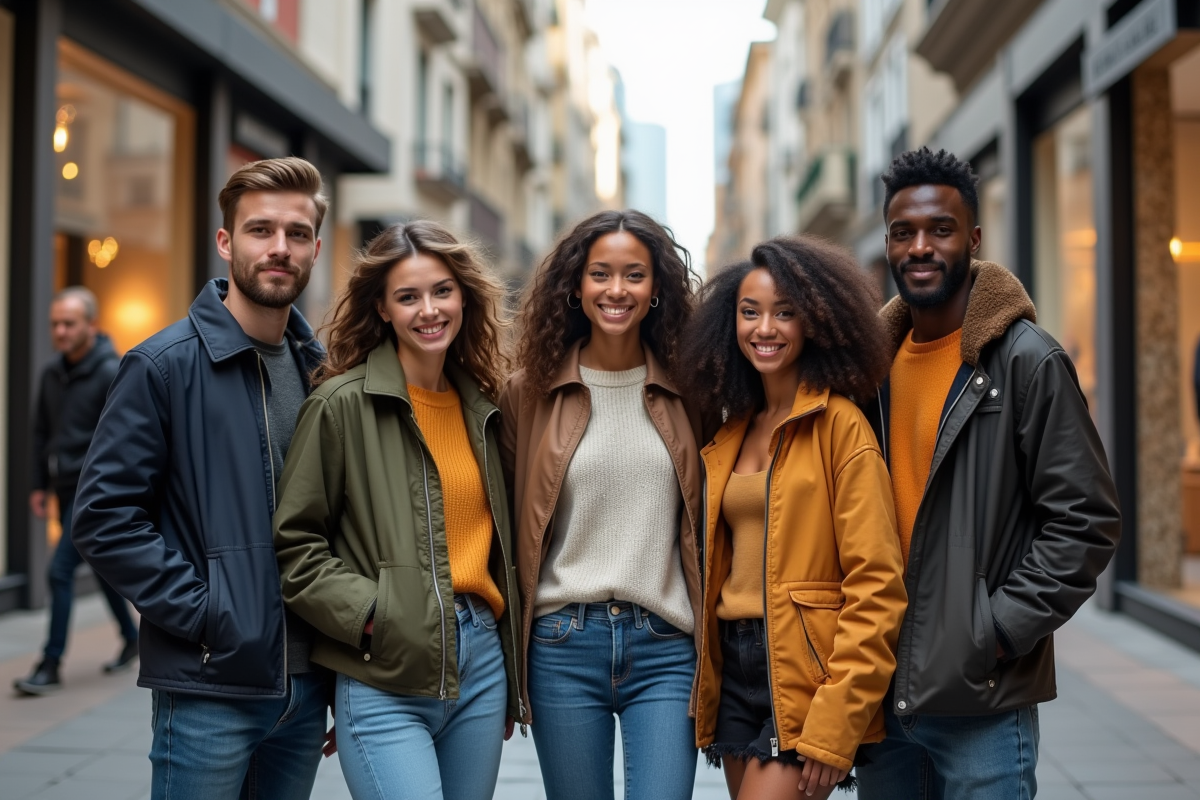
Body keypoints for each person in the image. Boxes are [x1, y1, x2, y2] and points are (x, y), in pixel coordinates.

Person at [854, 147, 1121, 799]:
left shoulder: (1027, 362)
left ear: (972, 239)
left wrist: (996, 631)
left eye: (939, 230)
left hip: (983, 701)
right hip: (880, 691)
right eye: (903, 232)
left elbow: (1086, 521)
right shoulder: (867, 375)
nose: (920, 247)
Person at [72, 157, 331, 800]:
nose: (279, 248)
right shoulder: (162, 366)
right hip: (209, 688)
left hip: (305, 694)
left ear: (315, 249)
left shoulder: (322, 374)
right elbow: (103, 517)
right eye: (260, 230)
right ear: (225, 242)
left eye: (296, 234)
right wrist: (208, 616)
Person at [272, 220, 524, 800]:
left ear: (464, 296)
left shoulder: (484, 409)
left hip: (480, 666)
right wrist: (374, 616)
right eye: (407, 297)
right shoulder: (339, 405)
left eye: (441, 291)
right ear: (382, 310)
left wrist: (504, 670)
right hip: (383, 668)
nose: (428, 310)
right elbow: (297, 545)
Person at [680, 237, 908, 800]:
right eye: (750, 312)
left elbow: (876, 585)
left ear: (816, 322)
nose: (766, 328)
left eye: (786, 312)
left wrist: (836, 724)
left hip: (805, 671)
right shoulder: (731, 431)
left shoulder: (841, 426)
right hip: (735, 668)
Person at [499, 210, 703, 800]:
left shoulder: (693, 389)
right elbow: (507, 518)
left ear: (657, 288)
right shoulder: (527, 392)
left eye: (634, 275)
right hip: (562, 644)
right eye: (601, 274)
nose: (617, 290)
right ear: (576, 286)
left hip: (667, 644)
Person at [13, 287, 139, 696]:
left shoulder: (110, 372)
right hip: (64, 489)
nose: (61, 331)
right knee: (101, 571)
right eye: (55, 324)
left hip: (95, 493)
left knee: (59, 570)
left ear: (91, 326)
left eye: (69, 323)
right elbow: (40, 432)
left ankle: (49, 663)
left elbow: (124, 438)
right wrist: (38, 484)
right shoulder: (52, 373)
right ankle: (132, 637)